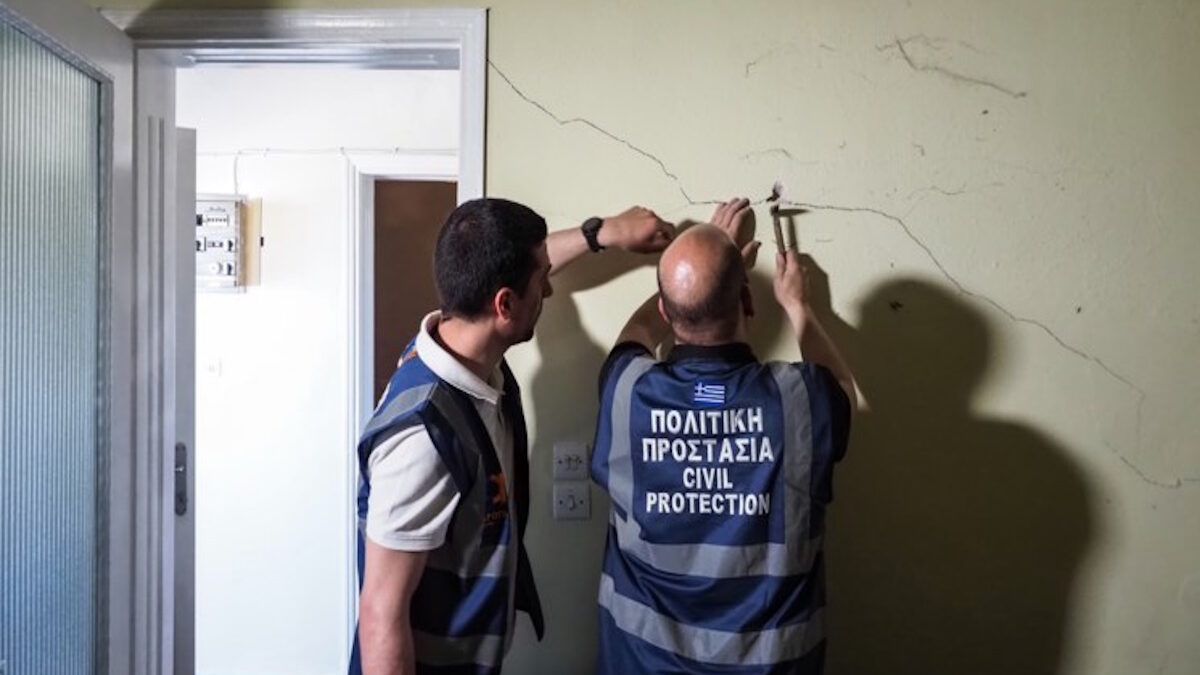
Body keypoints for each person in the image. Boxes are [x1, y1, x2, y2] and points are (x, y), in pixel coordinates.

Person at [351, 198, 674, 675]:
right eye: (542, 281)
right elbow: (381, 613)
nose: (550, 288)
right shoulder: (422, 437)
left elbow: (520, 263)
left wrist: (604, 233)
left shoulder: (456, 343)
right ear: (504, 304)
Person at [589, 197, 857, 674]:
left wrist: (705, 262)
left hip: (642, 663)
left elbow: (636, 333)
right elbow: (843, 391)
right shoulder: (801, 400)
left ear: (666, 312)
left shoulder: (627, 391)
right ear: (748, 302)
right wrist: (797, 306)